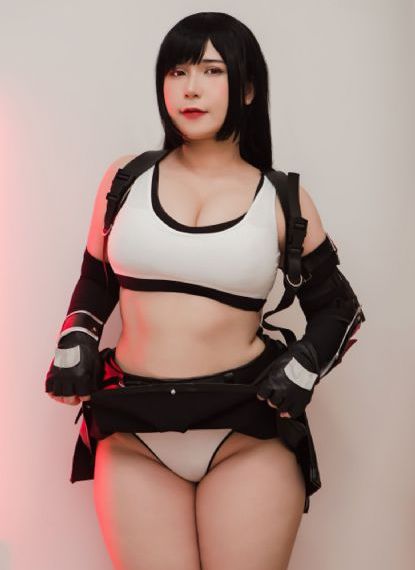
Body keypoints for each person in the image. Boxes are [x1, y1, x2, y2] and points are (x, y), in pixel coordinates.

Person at [44, 12, 365, 570]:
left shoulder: (282, 199)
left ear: (247, 88)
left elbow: (340, 308)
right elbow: (95, 279)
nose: (190, 88)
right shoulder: (124, 180)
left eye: (212, 71)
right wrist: (76, 338)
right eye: (177, 71)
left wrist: (304, 367)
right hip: (134, 432)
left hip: (246, 433)